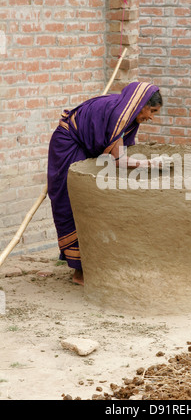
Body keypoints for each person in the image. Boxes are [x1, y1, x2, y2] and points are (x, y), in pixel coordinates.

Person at [47, 81, 163, 286]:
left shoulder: (125, 115)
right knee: (75, 203)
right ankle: (80, 272)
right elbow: (118, 160)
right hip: (68, 146)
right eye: (151, 110)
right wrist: (150, 164)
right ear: (141, 103)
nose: (151, 117)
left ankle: (94, 265)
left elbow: (116, 149)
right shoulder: (119, 115)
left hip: (83, 146)